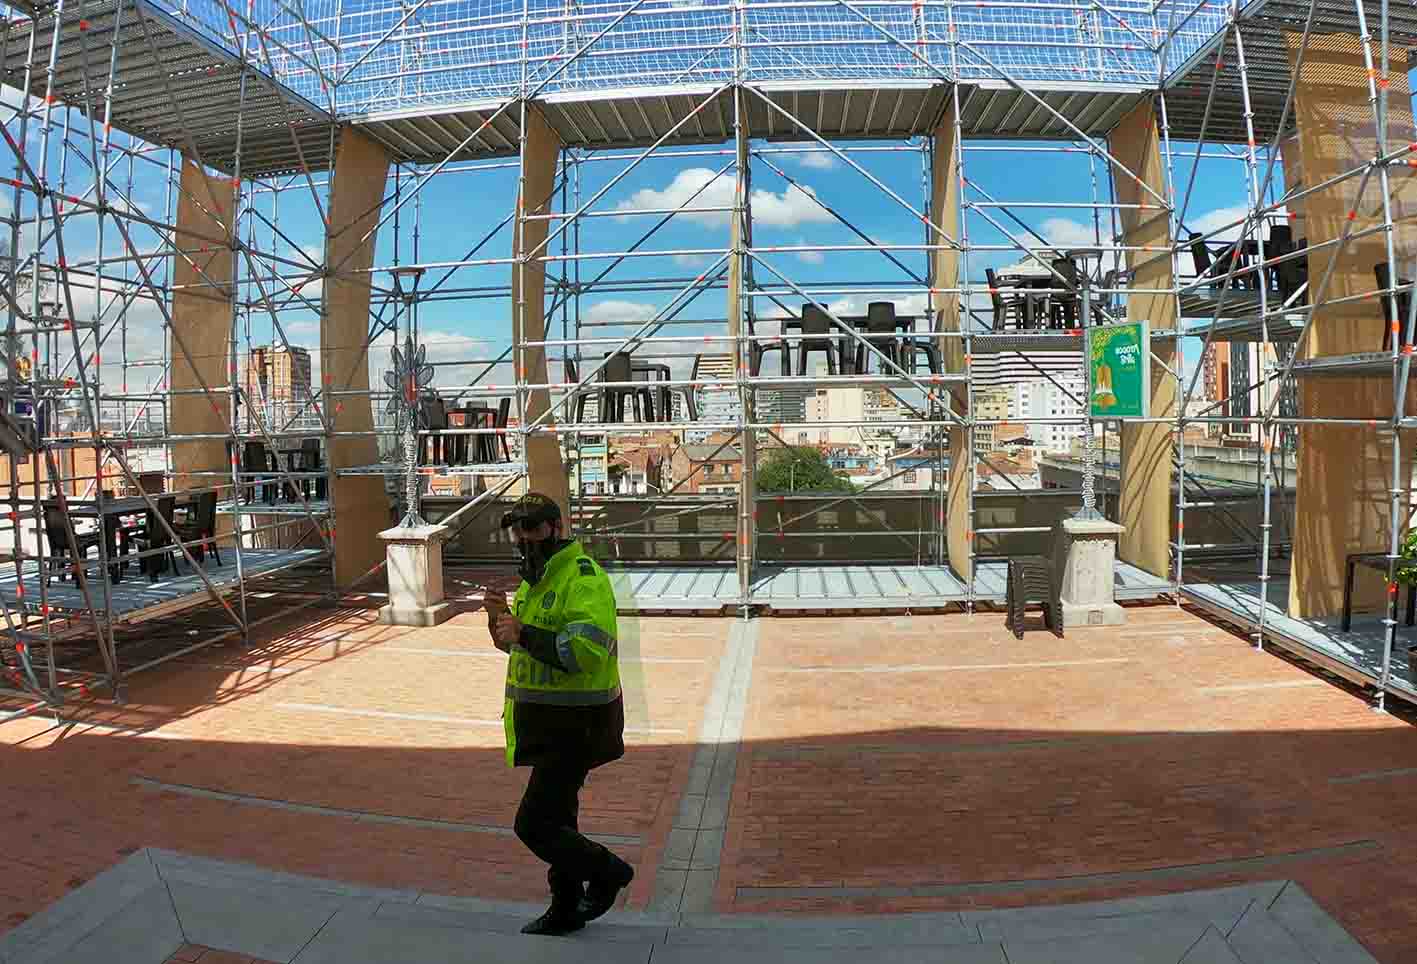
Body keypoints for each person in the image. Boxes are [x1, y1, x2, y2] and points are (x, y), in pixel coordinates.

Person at [486, 492, 634, 936]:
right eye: (517, 530)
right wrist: (499, 619)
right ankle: (565, 908)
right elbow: (514, 644)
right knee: (560, 821)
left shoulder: (582, 577)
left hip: (577, 726)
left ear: (555, 528)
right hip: (548, 724)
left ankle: (610, 872)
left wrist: (523, 631)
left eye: (531, 528)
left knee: (533, 824)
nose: (523, 538)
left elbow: (585, 651)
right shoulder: (536, 579)